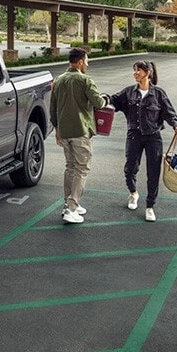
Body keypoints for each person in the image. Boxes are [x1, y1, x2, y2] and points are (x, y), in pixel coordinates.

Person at [109, 60, 177, 222]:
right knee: (130, 169)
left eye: (138, 71)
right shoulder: (129, 92)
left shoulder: (158, 94)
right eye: (134, 70)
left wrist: (176, 125)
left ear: (147, 73)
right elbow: (113, 100)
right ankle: (133, 193)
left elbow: (170, 113)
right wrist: (101, 98)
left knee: (153, 172)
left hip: (153, 137)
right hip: (134, 136)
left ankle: (150, 206)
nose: (135, 73)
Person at [50, 48, 108, 224]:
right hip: (80, 131)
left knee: (70, 167)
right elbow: (99, 103)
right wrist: (106, 99)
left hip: (65, 132)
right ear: (81, 61)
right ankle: (72, 208)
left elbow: (52, 108)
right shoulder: (85, 80)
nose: (88, 64)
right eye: (87, 61)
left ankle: (68, 204)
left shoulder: (58, 81)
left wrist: (57, 129)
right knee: (82, 169)